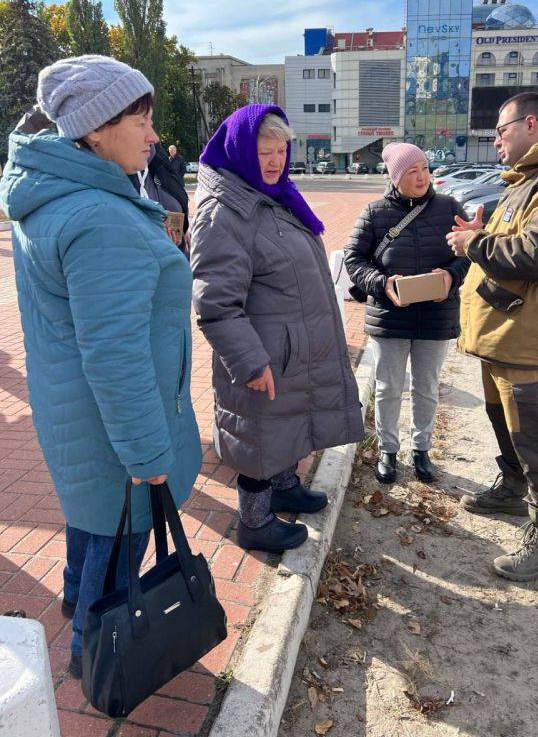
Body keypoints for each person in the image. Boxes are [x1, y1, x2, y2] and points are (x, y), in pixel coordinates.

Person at [0, 55, 202, 677]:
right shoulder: (98, 217)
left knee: (92, 532)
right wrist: (148, 456)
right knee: (115, 557)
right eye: (140, 120)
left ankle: (77, 604)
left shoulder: (59, 196)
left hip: (80, 422)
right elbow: (115, 355)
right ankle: (97, 663)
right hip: (117, 436)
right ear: (92, 130)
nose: (153, 135)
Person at [190, 103, 364, 553]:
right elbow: (216, 303)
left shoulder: (275, 196)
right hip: (263, 355)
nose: (274, 161)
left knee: (286, 428)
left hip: (290, 349)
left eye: (281, 150)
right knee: (260, 438)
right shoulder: (224, 211)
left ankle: (285, 487)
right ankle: (255, 522)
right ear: (241, 151)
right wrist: (249, 361)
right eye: (264, 151)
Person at [446, 91, 538, 582]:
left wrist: (476, 243)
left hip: (531, 342)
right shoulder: (525, 184)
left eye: (501, 130)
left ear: (532, 125)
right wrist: (483, 237)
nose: (496, 140)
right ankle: (512, 490)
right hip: (503, 337)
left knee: (536, 438)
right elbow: (515, 246)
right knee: (506, 426)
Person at [344, 143, 469, 485]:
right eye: (412, 172)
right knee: (387, 387)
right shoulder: (374, 213)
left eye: (425, 169)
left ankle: (421, 449)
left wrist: (451, 275)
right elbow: (353, 260)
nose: (422, 177)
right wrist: (382, 283)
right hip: (390, 317)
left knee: (427, 387)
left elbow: (466, 253)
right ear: (396, 178)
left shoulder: (448, 208)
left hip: (435, 315)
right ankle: (387, 449)